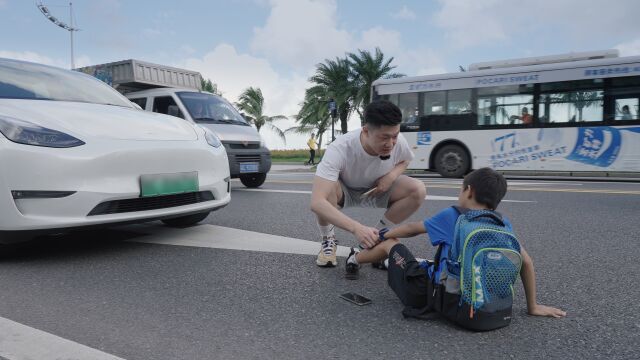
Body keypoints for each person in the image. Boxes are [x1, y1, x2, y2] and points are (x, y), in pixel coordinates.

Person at [344, 167, 566, 319]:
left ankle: (355, 258)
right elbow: (526, 263)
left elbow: (412, 229)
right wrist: (533, 307)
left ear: (469, 191)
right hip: (484, 304)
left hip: (434, 297)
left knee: (392, 244)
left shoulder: (455, 215)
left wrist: (383, 234)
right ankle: (381, 262)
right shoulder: (502, 223)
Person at [310, 100, 426, 267]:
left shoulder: (397, 141)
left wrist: (391, 176)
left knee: (417, 190)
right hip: (344, 191)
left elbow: (405, 160)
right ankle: (328, 240)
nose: (391, 143)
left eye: (394, 136)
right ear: (365, 131)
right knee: (325, 190)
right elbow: (317, 203)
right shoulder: (340, 148)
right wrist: (357, 228)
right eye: (384, 137)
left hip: (377, 189)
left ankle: (377, 239)